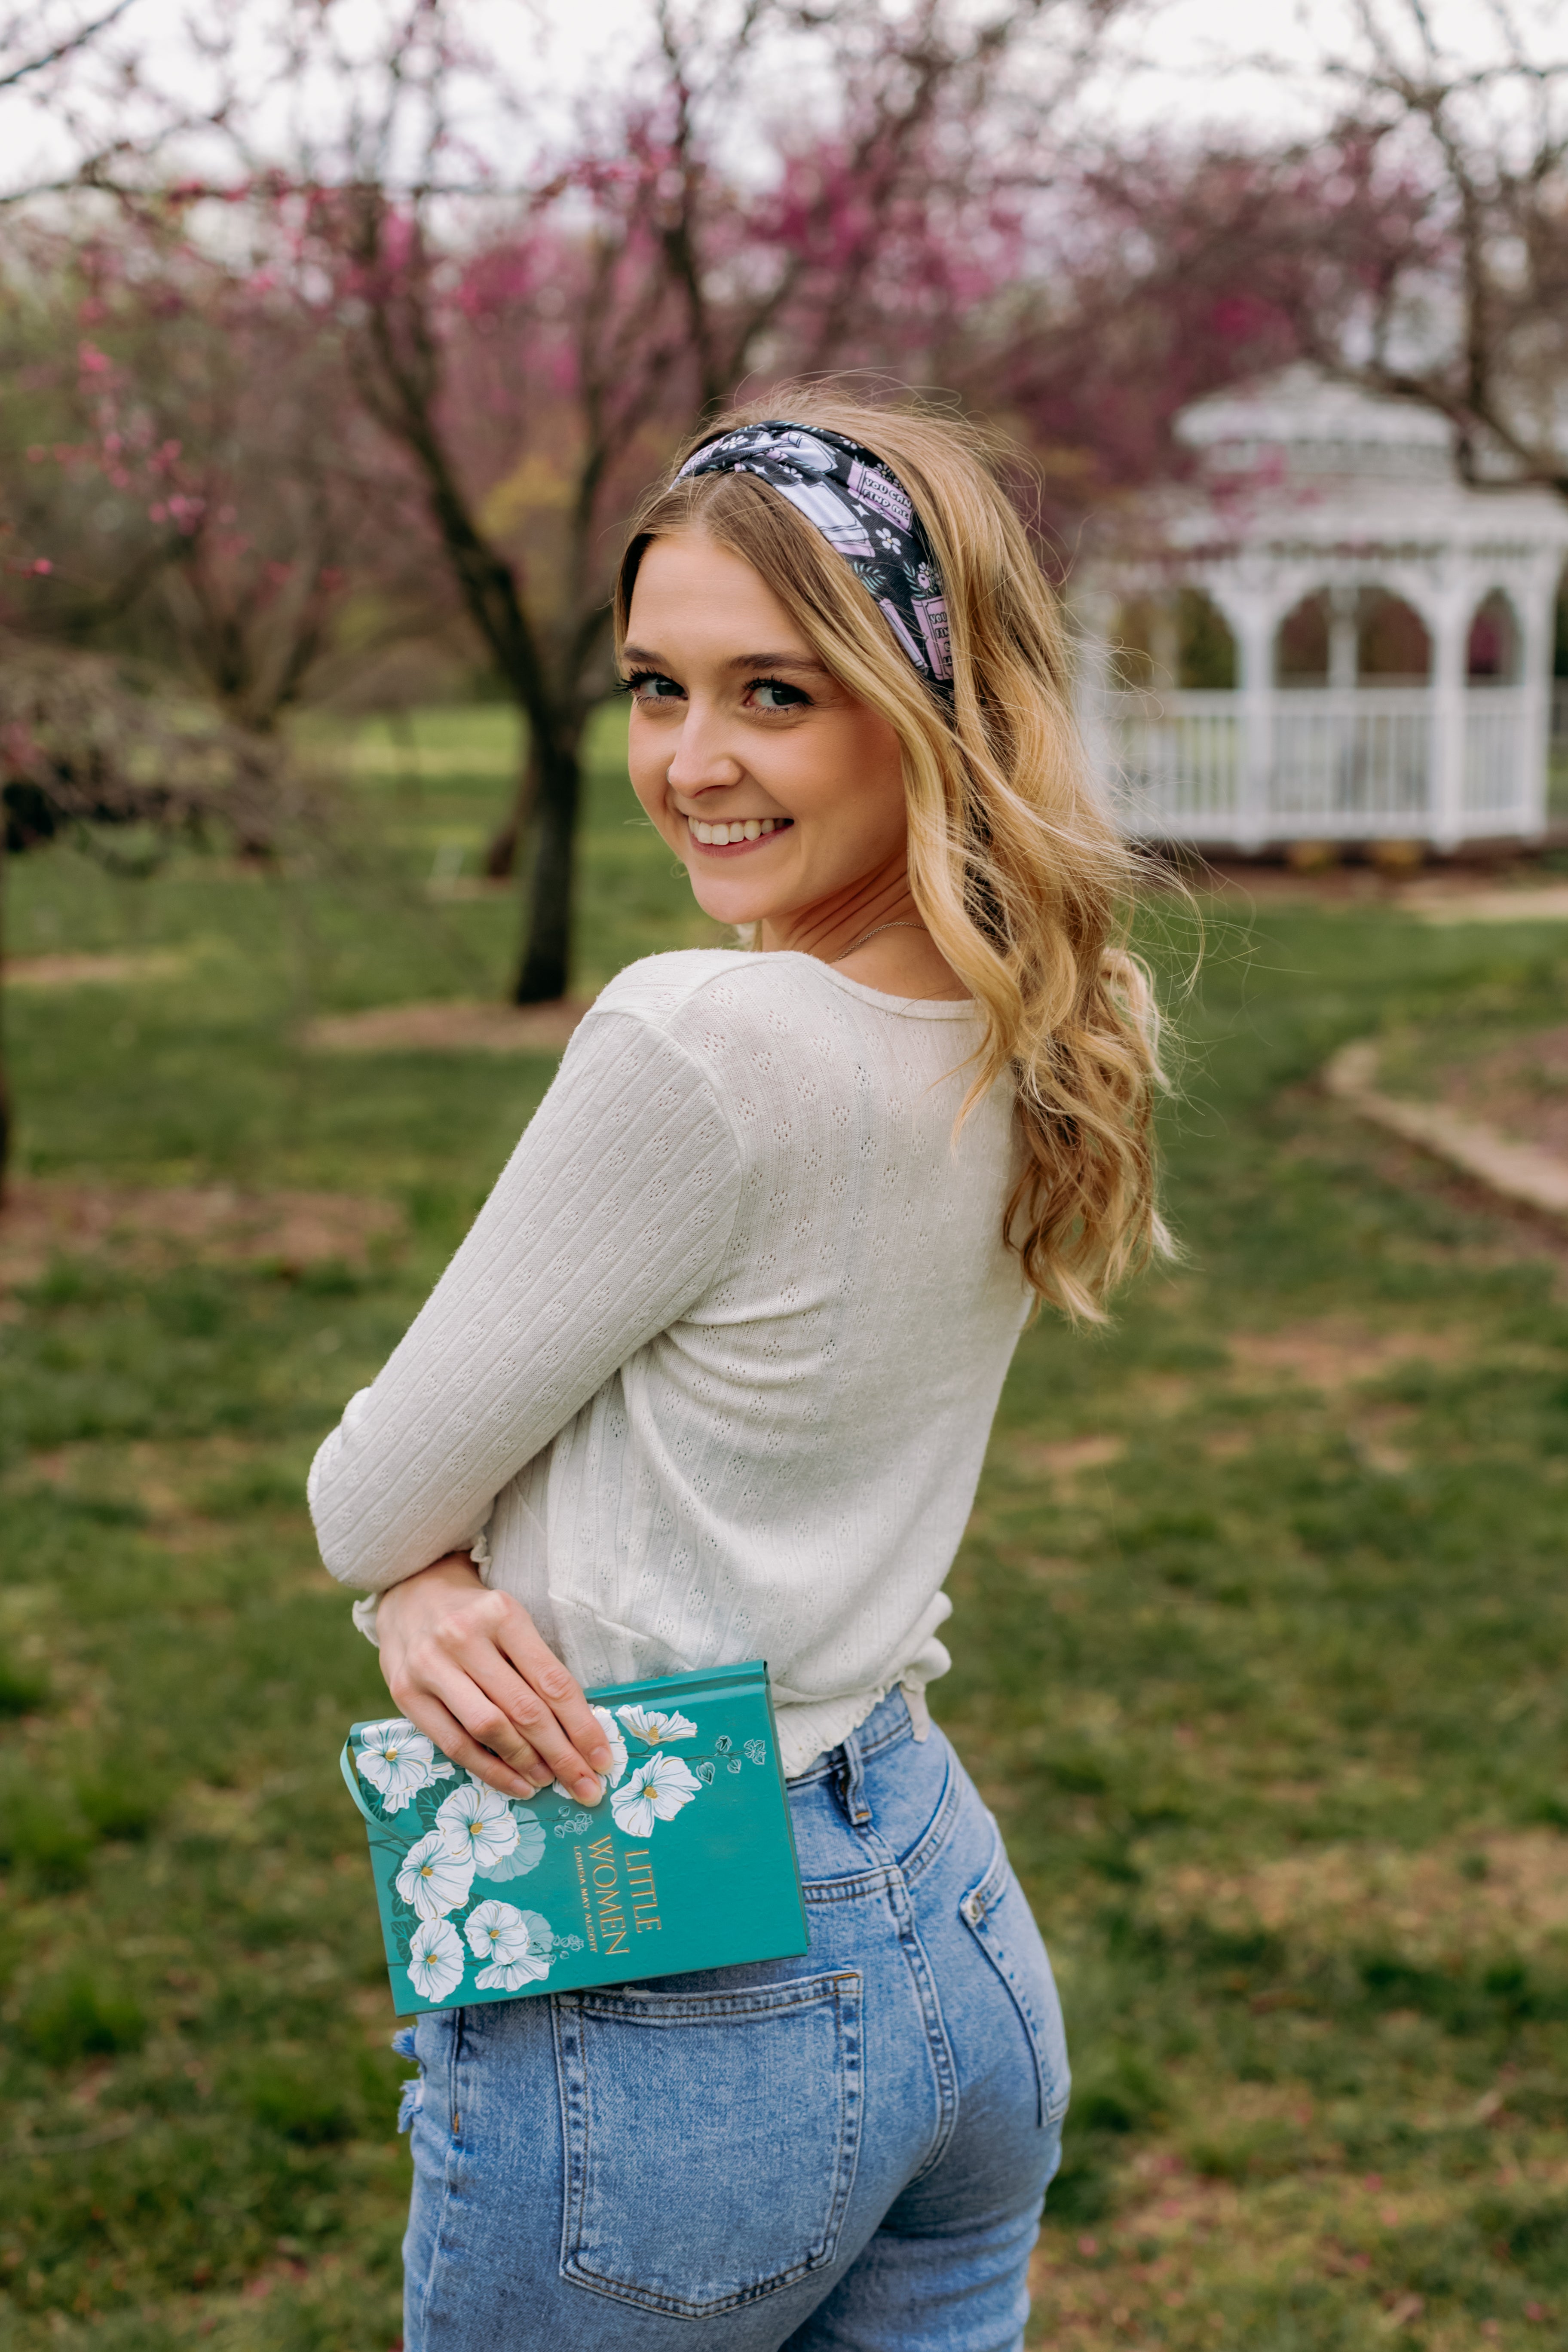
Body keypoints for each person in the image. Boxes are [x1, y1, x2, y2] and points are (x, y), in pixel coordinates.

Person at [308, 389, 1167, 2351]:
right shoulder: (1043, 1016)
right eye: (655, 688)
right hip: (940, 1904)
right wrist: (419, 1582)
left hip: (674, 1956)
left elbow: (366, 1494)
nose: (691, 762)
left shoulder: (707, 1038)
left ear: (924, 704)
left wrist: (413, 1579)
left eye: (775, 693)